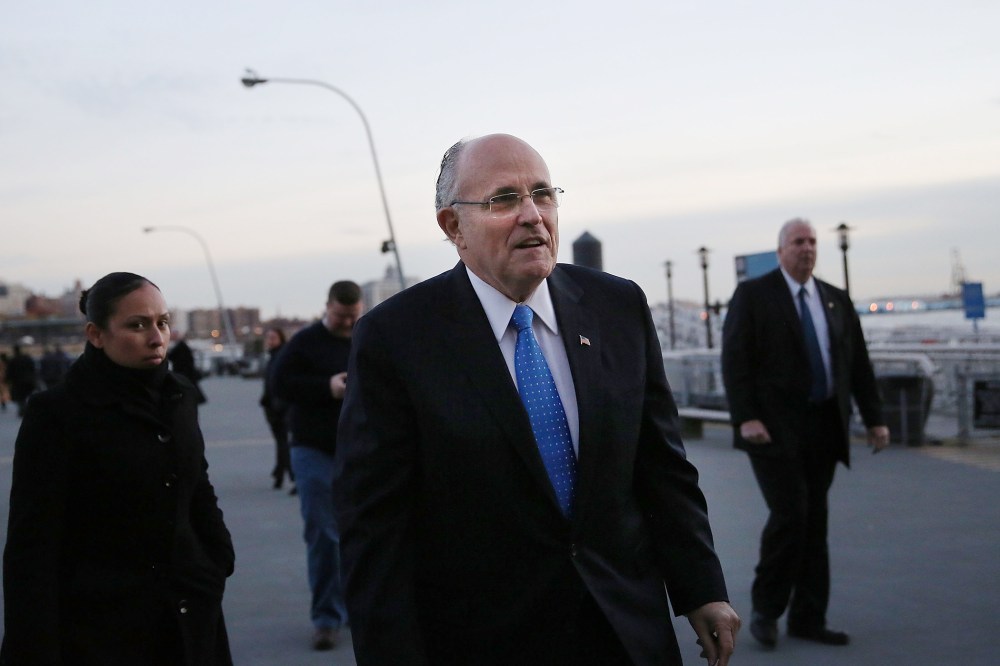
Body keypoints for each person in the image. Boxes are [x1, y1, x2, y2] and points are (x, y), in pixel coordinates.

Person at [334, 134, 740, 666]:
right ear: (453, 226)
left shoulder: (617, 307)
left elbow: (661, 465)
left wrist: (701, 588)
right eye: (504, 199)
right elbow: (374, 529)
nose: (533, 215)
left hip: (623, 629)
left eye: (543, 194)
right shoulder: (396, 337)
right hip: (482, 640)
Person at [1, 272, 235, 665]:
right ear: (96, 334)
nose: (156, 337)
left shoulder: (180, 396)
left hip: (190, 610)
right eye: (137, 325)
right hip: (102, 627)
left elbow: (197, 483)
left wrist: (217, 557)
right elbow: (31, 543)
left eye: (162, 322)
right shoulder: (57, 413)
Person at [720, 218, 890, 650]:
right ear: (781, 251)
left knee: (815, 522)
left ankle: (809, 617)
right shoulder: (755, 296)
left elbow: (858, 364)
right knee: (791, 515)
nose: (807, 248)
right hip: (773, 431)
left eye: (813, 241)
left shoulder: (835, 300)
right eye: (798, 242)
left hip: (824, 428)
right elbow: (735, 360)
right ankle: (766, 609)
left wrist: (875, 418)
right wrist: (746, 417)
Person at [271, 281, 362, 651]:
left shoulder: (368, 335)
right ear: (327, 307)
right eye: (340, 316)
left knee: (366, 534)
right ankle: (326, 618)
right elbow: (280, 384)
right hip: (312, 450)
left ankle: (361, 609)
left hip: (360, 450)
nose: (345, 323)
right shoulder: (305, 342)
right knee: (324, 535)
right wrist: (327, 387)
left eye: (352, 317)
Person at [259, 327, 292, 490]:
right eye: (268, 338)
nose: (270, 341)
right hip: (273, 405)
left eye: (273, 338)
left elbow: (279, 382)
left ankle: (290, 475)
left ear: (280, 339)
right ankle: (280, 473)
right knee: (282, 441)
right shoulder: (274, 356)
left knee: (283, 442)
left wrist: (278, 403)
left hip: (279, 407)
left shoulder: (281, 356)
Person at [168, 335, 207, 404]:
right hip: (187, 371)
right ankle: (197, 398)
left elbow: (171, 356)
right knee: (191, 385)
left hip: (183, 371)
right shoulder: (183, 347)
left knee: (186, 385)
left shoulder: (180, 347)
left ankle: (194, 398)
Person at [5, 345, 37, 418]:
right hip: (29, 380)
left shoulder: (13, 360)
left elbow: (10, 371)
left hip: (17, 381)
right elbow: (33, 369)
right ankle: (25, 409)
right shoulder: (27, 358)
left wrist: (7, 380)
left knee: (20, 397)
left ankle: (22, 409)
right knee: (26, 395)